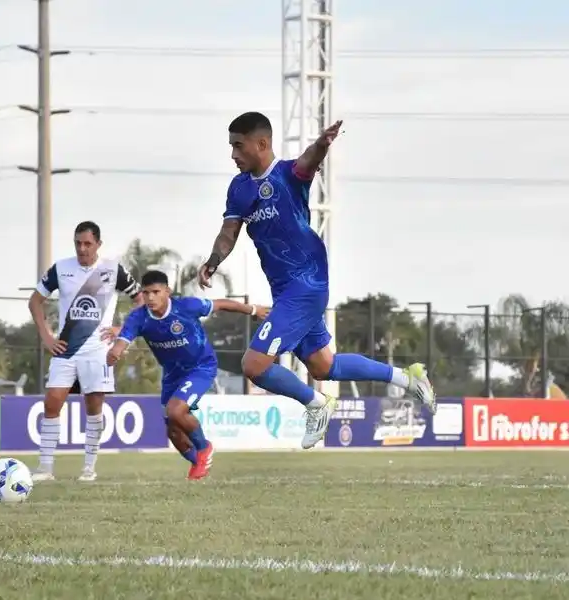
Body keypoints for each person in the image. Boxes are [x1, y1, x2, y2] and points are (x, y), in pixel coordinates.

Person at [198, 112, 436, 450]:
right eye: (231, 146)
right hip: (285, 292)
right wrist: (213, 260)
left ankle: (316, 404)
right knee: (325, 366)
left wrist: (322, 145)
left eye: (239, 145)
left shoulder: (288, 175)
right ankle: (406, 378)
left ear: (262, 143)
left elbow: (308, 161)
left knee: (253, 364)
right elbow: (228, 232)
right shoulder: (238, 189)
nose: (233, 154)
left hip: (306, 285)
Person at [106, 270, 270, 480]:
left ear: (167, 292)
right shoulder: (139, 317)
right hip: (172, 375)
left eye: (156, 292)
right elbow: (124, 338)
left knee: (176, 411)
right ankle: (198, 463)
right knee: (173, 431)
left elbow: (221, 304)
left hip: (200, 367)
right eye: (146, 293)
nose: (150, 298)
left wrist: (253, 309)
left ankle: (204, 448)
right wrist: (115, 351)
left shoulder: (186, 307)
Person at [29, 221, 141, 482]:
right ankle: (45, 468)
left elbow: (141, 301)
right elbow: (35, 301)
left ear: (98, 244)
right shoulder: (61, 268)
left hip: (97, 351)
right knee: (52, 401)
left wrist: (121, 329)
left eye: (87, 243)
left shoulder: (114, 270)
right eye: (78, 243)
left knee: (93, 407)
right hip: (66, 347)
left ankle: (89, 467)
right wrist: (46, 336)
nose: (82, 248)